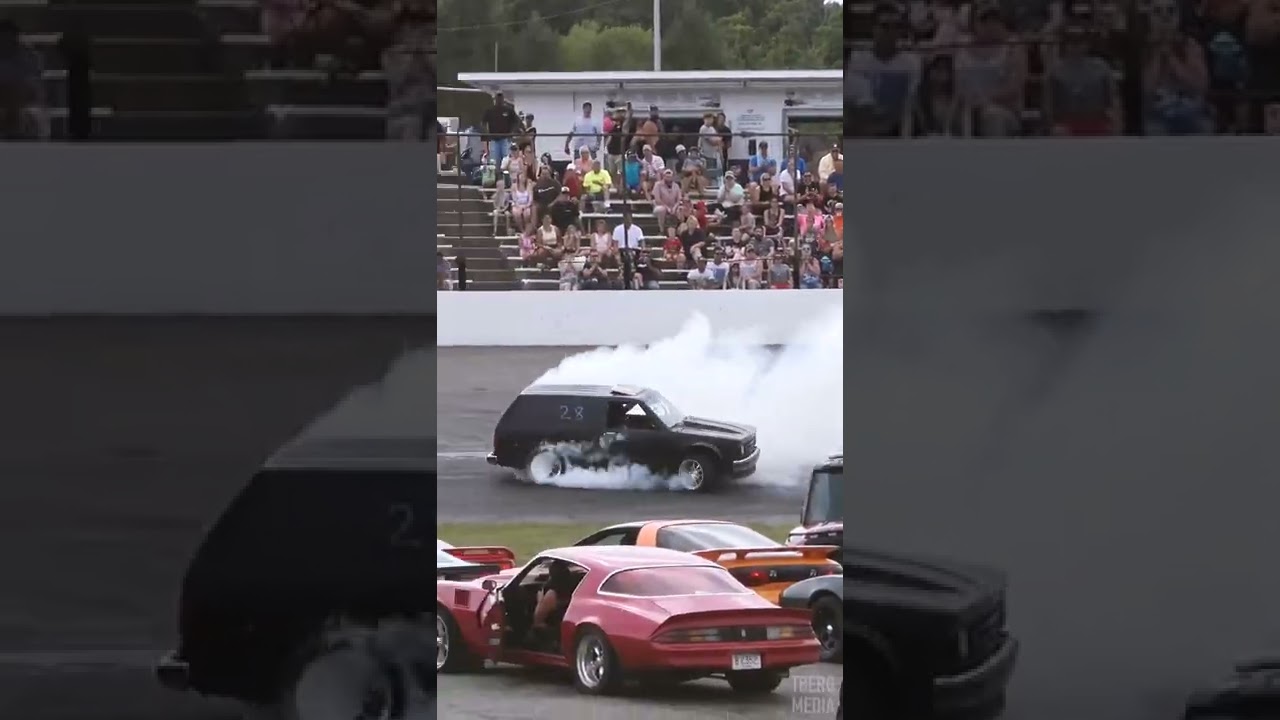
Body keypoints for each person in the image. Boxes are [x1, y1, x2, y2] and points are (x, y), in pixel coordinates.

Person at [529, 561, 578, 649]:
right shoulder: (575, 587)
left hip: (556, 631)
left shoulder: (552, 593)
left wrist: (540, 600)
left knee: (535, 628)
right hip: (571, 628)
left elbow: (538, 619)